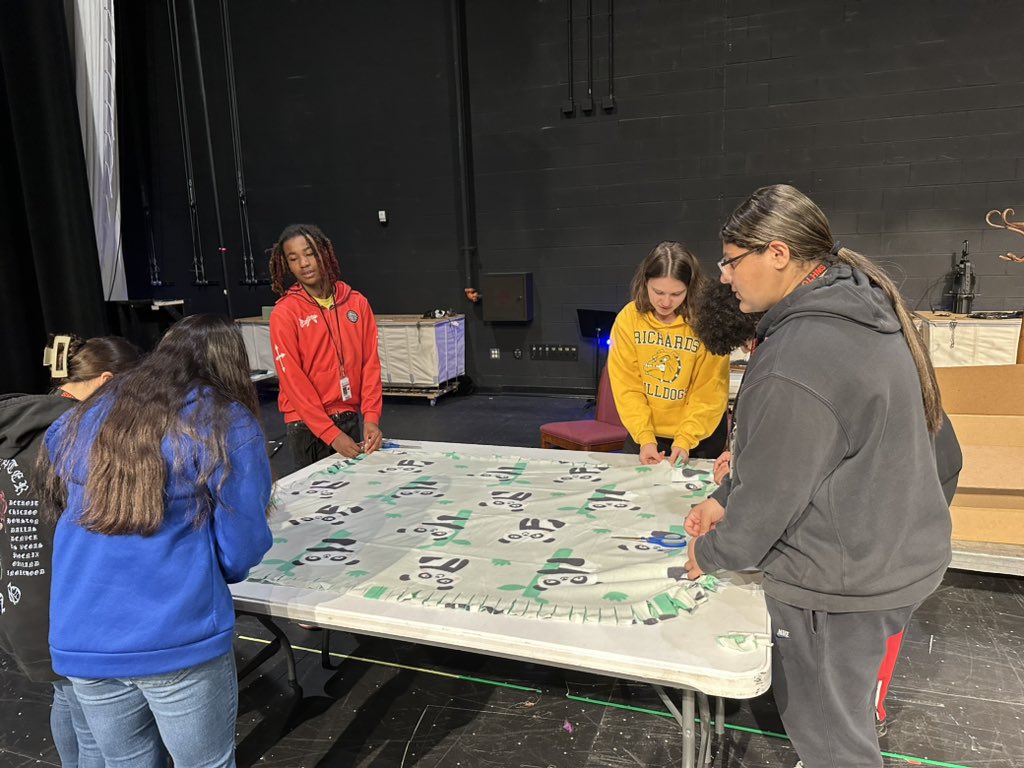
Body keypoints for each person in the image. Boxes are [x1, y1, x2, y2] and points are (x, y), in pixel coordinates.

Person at [684, 184, 953, 768]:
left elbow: (770, 501)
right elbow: (944, 452)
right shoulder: (871, 309)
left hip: (842, 586)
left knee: (831, 735)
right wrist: (728, 494)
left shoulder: (799, 356)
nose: (725, 278)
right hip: (900, 558)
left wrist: (712, 551)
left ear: (777, 253)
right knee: (845, 706)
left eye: (731, 262)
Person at [40, 315, 273, 767]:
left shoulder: (85, 415)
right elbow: (241, 543)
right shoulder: (223, 419)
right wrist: (215, 571)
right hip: (175, 635)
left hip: (83, 638)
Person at [1, 333, 141, 768]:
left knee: (67, 698)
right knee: (98, 725)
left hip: (19, 599)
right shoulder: (78, 436)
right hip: (68, 604)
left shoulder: (13, 425)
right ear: (105, 381)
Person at [268, 223, 384, 471]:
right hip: (306, 425)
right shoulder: (285, 312)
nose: (304, 263)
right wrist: (329, 433)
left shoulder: (357, 303)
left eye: (310, 253)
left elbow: (370, 364)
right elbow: (293, 382)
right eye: (294, 258)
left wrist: (372, 417)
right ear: (286, 265)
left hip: (348, 416)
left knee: (354, 500)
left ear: (324, 253)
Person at [607, 241, 730, 466]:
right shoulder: (629, 320)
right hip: (646, 436)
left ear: (690, 288)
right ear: (645, 283)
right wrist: (645, 438)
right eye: (658, 292)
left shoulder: (707, 321)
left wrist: (685, 440)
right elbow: (627, 387)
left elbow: (709, 391)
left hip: (698, 439)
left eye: (676, 294)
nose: (665, 302)